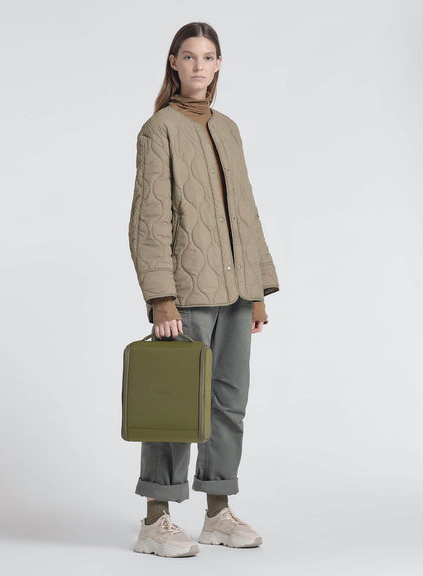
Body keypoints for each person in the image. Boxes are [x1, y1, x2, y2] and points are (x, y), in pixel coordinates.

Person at [128, 22, 279, 557]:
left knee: (228, 405)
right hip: (186, 297)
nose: (199, 65)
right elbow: (149, 220)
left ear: (218, 64)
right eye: (189, 56)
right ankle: (156, 519)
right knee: (174, 403)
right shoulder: (159, 129)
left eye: (208, 56)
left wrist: (257, 290)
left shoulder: (228, 129)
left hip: (236, 293)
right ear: (173, 62)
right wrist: (161, 299)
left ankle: (218, 512)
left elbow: (246, 213)